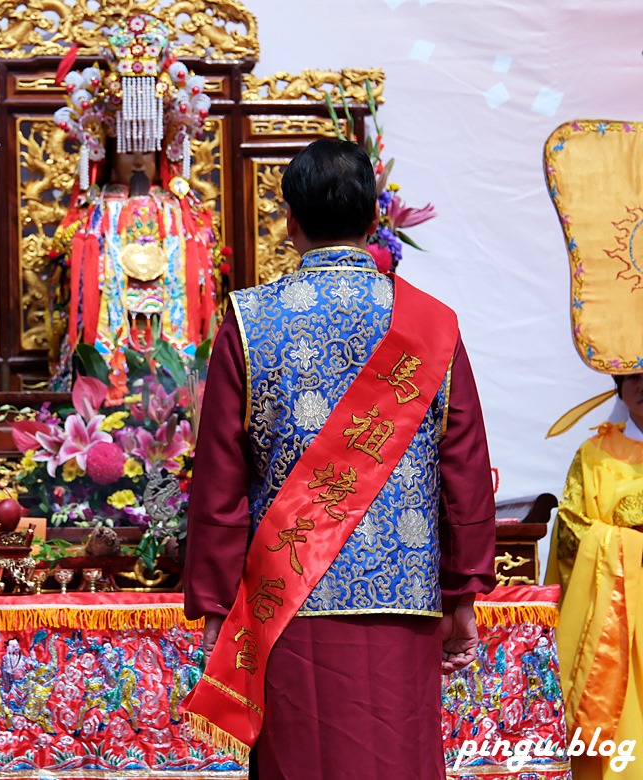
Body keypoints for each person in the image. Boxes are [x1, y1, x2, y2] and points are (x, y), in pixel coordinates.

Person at [182, 138, 496, 779]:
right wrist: (464, 592)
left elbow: (220, 481)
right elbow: (464, 471)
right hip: (403, 603)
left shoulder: (249, 320)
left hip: (287, 606)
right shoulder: (431, 324)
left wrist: (215, 608)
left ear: (290, 220)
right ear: (374, 220)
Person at [47, 14, 220, 393]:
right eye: (128, 148)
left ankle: (178, 375)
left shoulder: (179, 207)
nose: (139, 159)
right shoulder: (96, 207)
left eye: (147, 146)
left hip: (169, 322)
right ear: (109, 150)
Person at [546, 373, 643, 780]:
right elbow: (570, 531)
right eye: (634, 376)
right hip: (616, 611)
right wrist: (627, 544)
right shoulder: (595, 453)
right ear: (619, 386)